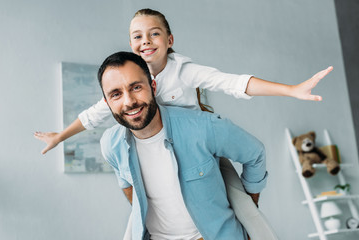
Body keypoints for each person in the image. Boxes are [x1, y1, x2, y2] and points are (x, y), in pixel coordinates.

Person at [34, 8, 331, 239]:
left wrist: (290, 90)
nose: (146, 41)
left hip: (204, 146)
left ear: (169, 40)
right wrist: (60, 137)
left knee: (241, 206)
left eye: (154, 34)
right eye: (137, 37)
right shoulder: (118, 120)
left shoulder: (184, 71)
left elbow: (233, 83)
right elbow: (93, 115)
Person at [99, 51, 268, 240]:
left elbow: (255, 153)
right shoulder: (111, 144)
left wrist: (249, 209)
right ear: (107, 103)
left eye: (136, 87)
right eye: (116, 94)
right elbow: (128, 187)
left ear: (153, 86)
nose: (129, 101)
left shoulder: (203, 126)